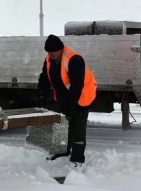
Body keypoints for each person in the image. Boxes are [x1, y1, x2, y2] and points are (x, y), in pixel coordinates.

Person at [38, 34, 97, 165]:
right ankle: (62, 151)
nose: (50, 54)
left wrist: (72, 105)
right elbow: (45, 77)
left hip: (81, 98)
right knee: (62, 125)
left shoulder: (74, 59)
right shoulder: (49, 60)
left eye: (53, 51)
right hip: (64, 98)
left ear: (60, 49)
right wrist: (42, 93)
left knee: (77, 128)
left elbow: (77, 85)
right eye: (48, 51)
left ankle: (77, 158)